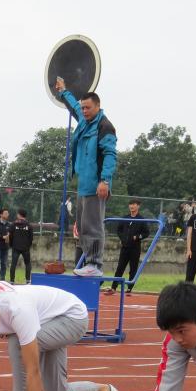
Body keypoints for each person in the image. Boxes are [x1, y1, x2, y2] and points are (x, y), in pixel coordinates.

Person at [55, 77, 117, 277]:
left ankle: (95, 264)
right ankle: (89, 261)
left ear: (98, 106)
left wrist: (105, 180)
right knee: (82, 227)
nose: (84, 111)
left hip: (97, 185)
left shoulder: (105, 127)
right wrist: (64, 91)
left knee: (93, 225)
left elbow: (109, 155)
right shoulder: (84, 121)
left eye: (88, 108)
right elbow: (73, 106)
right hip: (83, 184)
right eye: (83, 108)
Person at [105, 199, 148, 295]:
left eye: (134, 204)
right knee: (120, 267)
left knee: (133, 268)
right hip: (125, 247)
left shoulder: (141, 219)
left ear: (138, 206)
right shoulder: (125, 218)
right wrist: (123, 238)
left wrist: (137, 237)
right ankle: (113, 287)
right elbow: (119, 230)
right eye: (130, 204)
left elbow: (146, 233)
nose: (131, 206)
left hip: (135, 248)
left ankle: (129, 289)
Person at [9, 209, 35, 284]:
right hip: (25, 248)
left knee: (13, 264)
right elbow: (31, 238)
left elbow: (10, 235)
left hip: (16, 247)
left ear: (19, 215)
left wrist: (11, 244)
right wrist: (28, 245)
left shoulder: (14, 224)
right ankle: (27, 280)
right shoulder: (29, 225)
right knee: (27, 263)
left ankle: (11, 281)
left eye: (18, 214)